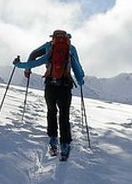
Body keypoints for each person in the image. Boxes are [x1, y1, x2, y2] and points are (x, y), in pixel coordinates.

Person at [14, 29, 86, 159]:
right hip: (65, 86)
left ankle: (53, 140)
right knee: (64, 115)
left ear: (53, 38)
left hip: (50, 86)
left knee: (51, 111)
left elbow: (34, 56)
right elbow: (77, 67)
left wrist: (23, 66)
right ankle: (64, 145)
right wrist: (80, 80)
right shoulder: (71, 49)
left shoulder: (48, 46)